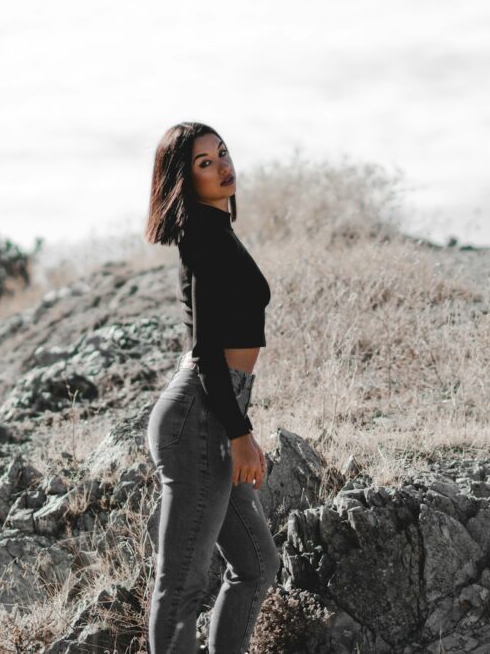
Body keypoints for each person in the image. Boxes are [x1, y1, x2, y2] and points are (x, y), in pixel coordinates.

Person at [142, 121, 279, 653]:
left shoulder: (218, 232)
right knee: (182, 585)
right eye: (205, 162)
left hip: (216, 412)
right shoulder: (201, 237)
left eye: (222, 154)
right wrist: (239, 432)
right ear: (184, 179)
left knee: (257, 564)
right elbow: (206, 354)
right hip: (200, 416)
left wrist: (239, 427)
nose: (223, 166)